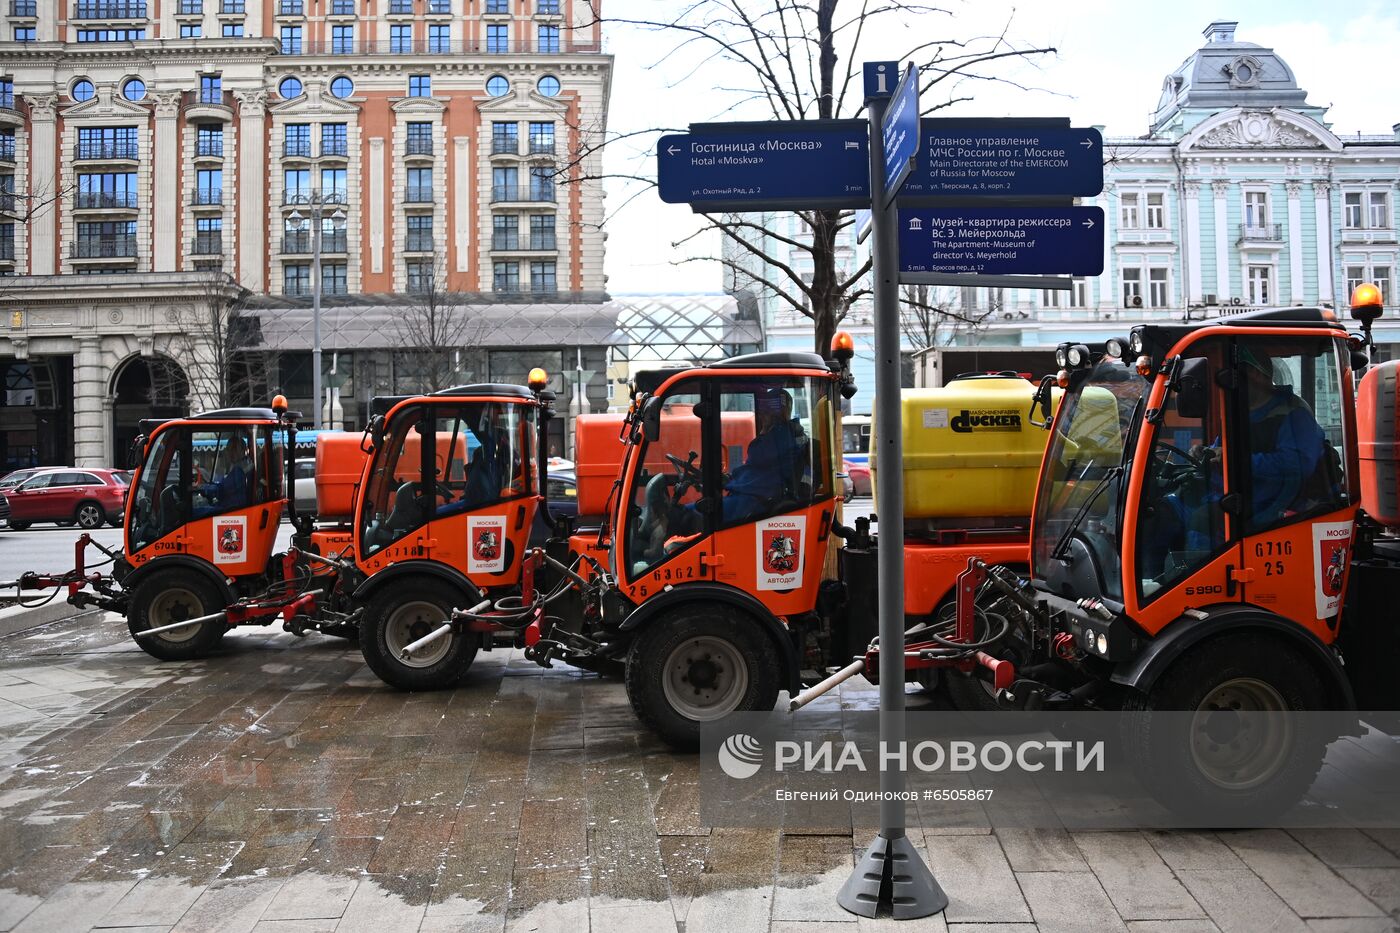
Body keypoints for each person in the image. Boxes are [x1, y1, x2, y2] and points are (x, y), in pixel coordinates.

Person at [1240, 345, 1326, 526]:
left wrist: (1238, 462)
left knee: (1199, 521)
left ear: (1256, 374)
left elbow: (1297, 465)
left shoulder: (1293, 413)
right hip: (1241, 501)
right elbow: (1225, 449)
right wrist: (1208, 453)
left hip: (1273, 510)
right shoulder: (1240, 414)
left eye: (1239, 374)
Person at [721, 387, 804, 523]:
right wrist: (733, 477)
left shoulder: (780, 436)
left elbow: (757, 456)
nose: (762, 415)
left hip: (755, 498)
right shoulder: (783, 434)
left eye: (767, 411)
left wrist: (764, 431)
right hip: (752, 493)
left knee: (694, 514)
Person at [195, 434, 251, 517]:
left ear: (241, 450)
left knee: (195, 512)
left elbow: (222, 490)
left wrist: (203, 489)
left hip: (231, 509)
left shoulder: (240, 469)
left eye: (232, 449)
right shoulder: (241, 465)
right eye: (228, 449)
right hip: (229, 507)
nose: (229, 453)